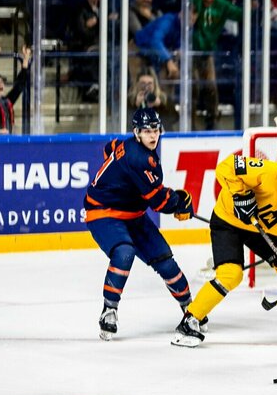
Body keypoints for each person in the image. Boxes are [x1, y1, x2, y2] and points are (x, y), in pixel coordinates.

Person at [172, 151, 277, 348]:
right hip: (228, 221)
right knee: (230, 275)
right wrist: (240, 195)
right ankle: (190, 320)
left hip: (260, 230)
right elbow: (226, 166)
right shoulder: (268, 173)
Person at [84, 108, 196, 341]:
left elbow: (109, 148)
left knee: (165, 260)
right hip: (103, 212)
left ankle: (191, 310)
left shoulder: (127, 145)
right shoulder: (139, 158)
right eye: (147, 131)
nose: (153, 135)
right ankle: (109, 311)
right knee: (124, 252)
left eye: (155, 130)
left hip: (132, 213)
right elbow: (158, 201)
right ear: (137, 133)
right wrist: (179, 202)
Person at [192, 0, 243, 130]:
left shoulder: (221, 4)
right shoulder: (194, 1)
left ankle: (212, 118)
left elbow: (241, 14)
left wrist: (247, 0)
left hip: (208, 53)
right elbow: (190, 15)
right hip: (191, 52)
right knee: (193, 87)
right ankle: (191, 121)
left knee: (211, 87)